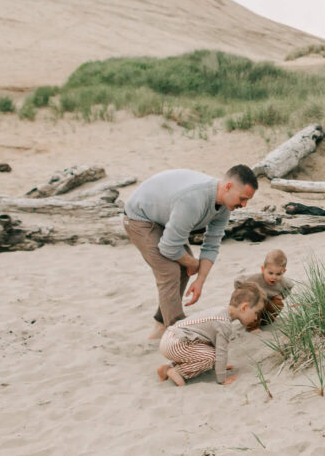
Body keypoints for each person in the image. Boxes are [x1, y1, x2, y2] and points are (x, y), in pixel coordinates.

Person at [124, 165, 258, 339]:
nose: (244, 205)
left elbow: (212, 243)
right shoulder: (194, 200)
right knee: (170, 271)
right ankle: (180, 337)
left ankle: (161, 326)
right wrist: (193, 263)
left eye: (247, 200)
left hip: (163, 217)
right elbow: (168, 248)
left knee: (182, 268)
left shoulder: (225, 205)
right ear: (228, 187)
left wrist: (200, 280)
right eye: (242, 198)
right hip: (139, 218)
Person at [156, 283, 267, 386]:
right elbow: (220, 353)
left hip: (170, 337)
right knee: (211, 356)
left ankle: (167, 368)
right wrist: (222, 378)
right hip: (177, 343)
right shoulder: (224, 323)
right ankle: (177, 371)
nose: (256, 318)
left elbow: (209, 341)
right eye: (256, 313)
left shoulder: (220, 311)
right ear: (244, 308)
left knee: (210, 353)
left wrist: (218, 367)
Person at [234, 249, 294, 326]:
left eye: (278, 274)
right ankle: (252, 325)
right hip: (255, 304)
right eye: (270, 273)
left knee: (278, 303)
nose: (274, 277)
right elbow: (238, 281)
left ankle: (267, 320)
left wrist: (282, 296)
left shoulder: (283, 282)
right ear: (263, 269)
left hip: (268, 305)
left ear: (284, 271)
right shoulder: (256, 278)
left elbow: (289, 287)